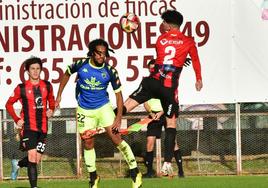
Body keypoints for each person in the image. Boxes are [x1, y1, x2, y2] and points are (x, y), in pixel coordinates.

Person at [113, 9, 203, 177]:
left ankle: (110, 120)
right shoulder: (189, 41)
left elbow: (165, 57)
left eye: (163, 22)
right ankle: (167, 163)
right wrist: (198, 79)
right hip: (168, 88)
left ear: (168, 24)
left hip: (153, 82)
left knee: (128, 103)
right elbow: (194, 60)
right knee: (171, 125)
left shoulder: (160, 40)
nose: (161, 25)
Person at [55, 38, 142, 188]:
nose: (102, 56)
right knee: (88, 142)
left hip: (104, 108)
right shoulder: (81, 64)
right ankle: (93, 177)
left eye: (104, 54)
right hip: (84, 110)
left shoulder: (110, 71)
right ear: (92, 53)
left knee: (116, 139)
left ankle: (135, 172)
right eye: (99, 54)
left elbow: (119, 96)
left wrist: (119, 118)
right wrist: (59, 95)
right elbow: (67, 73)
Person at [5, 57, 55, 188]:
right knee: (32, 157)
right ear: (27, 71)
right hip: (28, 127)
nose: (35, 71)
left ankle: (18, 164)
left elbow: (52, 101)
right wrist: (17, 119)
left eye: (38, 68)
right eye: (32, 69)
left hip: (43, 127)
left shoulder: (47, 86)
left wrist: (52, 109)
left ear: (41, 70)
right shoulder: (21, 88)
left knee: (36, 160)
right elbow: (8, 104)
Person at [142, 60, 184, 178]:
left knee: (173, 142)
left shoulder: (165, 81)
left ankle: (181, 171)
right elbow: (144, 101)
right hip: (153, 116)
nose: (152, 70)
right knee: (149, 142)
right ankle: (150, 172)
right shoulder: (147, 82)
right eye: (150, 68)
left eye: (153, 68)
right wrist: (151, 113)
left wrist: (161, 113)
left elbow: (170, 101)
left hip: (165, 114)